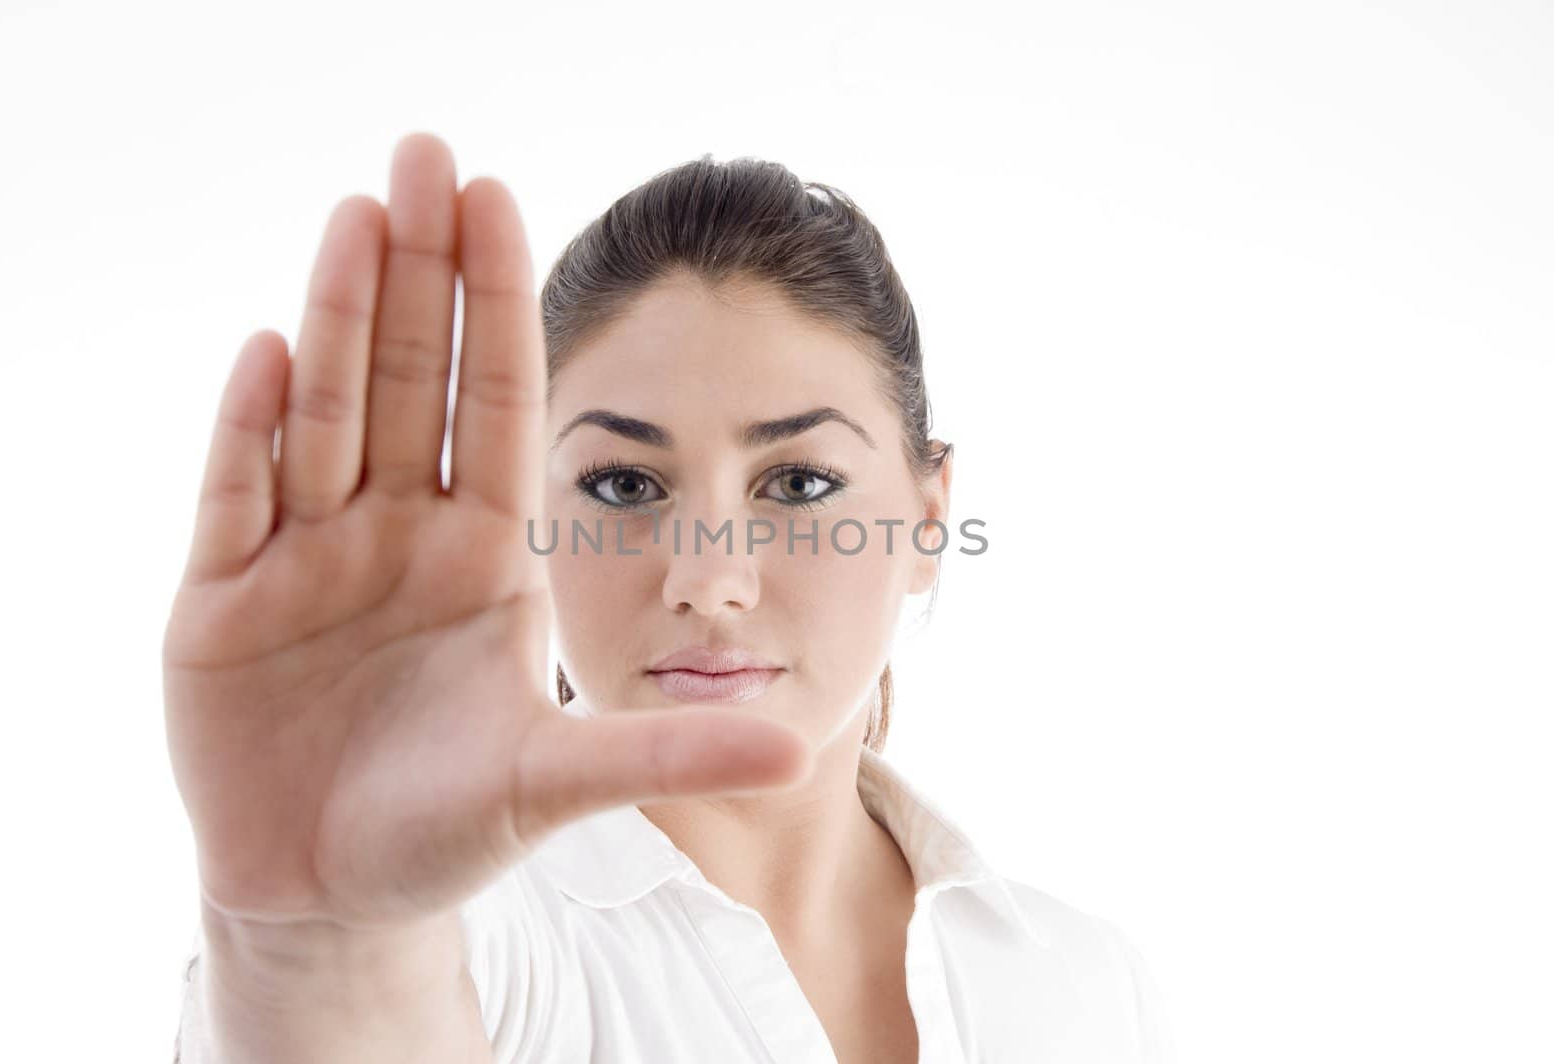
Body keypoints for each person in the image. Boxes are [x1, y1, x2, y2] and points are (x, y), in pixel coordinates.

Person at [164, 132, 1175, 1063]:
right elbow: (357, 1012)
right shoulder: (482, 941)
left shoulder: (1079, 982)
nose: (707, 579)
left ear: (924, 514)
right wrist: (313, 937)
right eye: (624, 485)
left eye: (798, 483)